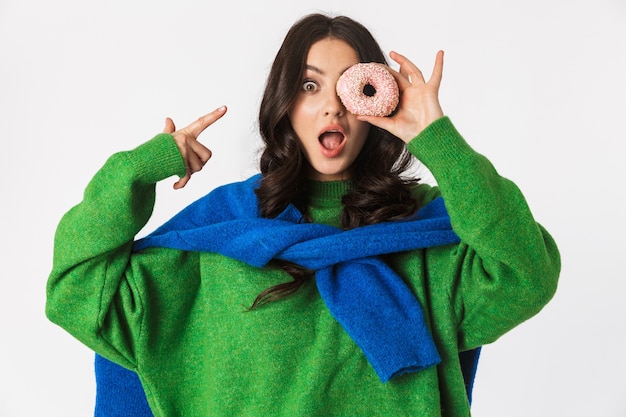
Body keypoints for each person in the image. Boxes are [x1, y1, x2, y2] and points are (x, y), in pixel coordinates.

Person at [46, 13, 560, 417]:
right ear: (285, 102)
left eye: (351, 86)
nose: (332, 107)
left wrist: (439, 141)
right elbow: (78, 292)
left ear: (376, 101)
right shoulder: (224, 227)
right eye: (310, 86)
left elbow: (527, 275)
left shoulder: (427, 232)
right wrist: (137, 171)